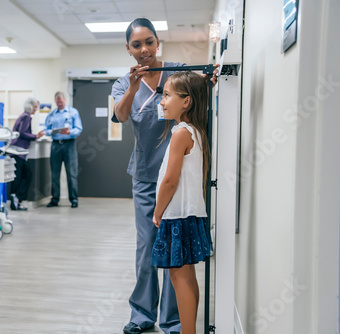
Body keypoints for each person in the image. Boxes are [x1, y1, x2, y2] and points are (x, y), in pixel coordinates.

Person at [112, 18, 217, 334]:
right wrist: (132, 87)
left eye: (149, 42)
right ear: (128, 49)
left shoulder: (177, 71)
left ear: (158, 43)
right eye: (136, 44)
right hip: (146, 177)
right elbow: (120, 115)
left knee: (174, 249)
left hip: (178, 176)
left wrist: (209, 81)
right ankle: (142, 314)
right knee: (146, 247)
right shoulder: (123, 82)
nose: (144, 50)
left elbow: (196, 89)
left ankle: (173, 320)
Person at [152, 71, 212, 334]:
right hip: (191, 214)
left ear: (186, 101)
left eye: (167, 95)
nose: (162, 102)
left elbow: (170, 181)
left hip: (177, 215)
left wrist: (157, 211)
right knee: (187, 276)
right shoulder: (194, 131)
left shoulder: (180, 134)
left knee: (178, 277)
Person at [44, 91, 82, 208]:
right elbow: (46, 129)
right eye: (57, 102)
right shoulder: (51, 114)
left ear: (64, 100)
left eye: (61, 102)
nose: (59, 104)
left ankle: (74, 199)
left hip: (69, 144)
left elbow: (79, 128)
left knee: (71, 173)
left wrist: (70, 132)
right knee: (55, 173)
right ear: (55, 102)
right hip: (55, 145)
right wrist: (51, 131)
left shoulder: (73, 112)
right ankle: (55, 199)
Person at [9, 97, 45, 211]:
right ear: (30, 106)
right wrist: (35, 136)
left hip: (19, 151)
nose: (36, 109)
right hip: (18, 152)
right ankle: (16, 200)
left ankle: (17, 200)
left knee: (23, 176)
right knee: (23, 176)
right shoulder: (26, 117)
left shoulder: (24, 116)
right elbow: (22, 133)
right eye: (35, 107)